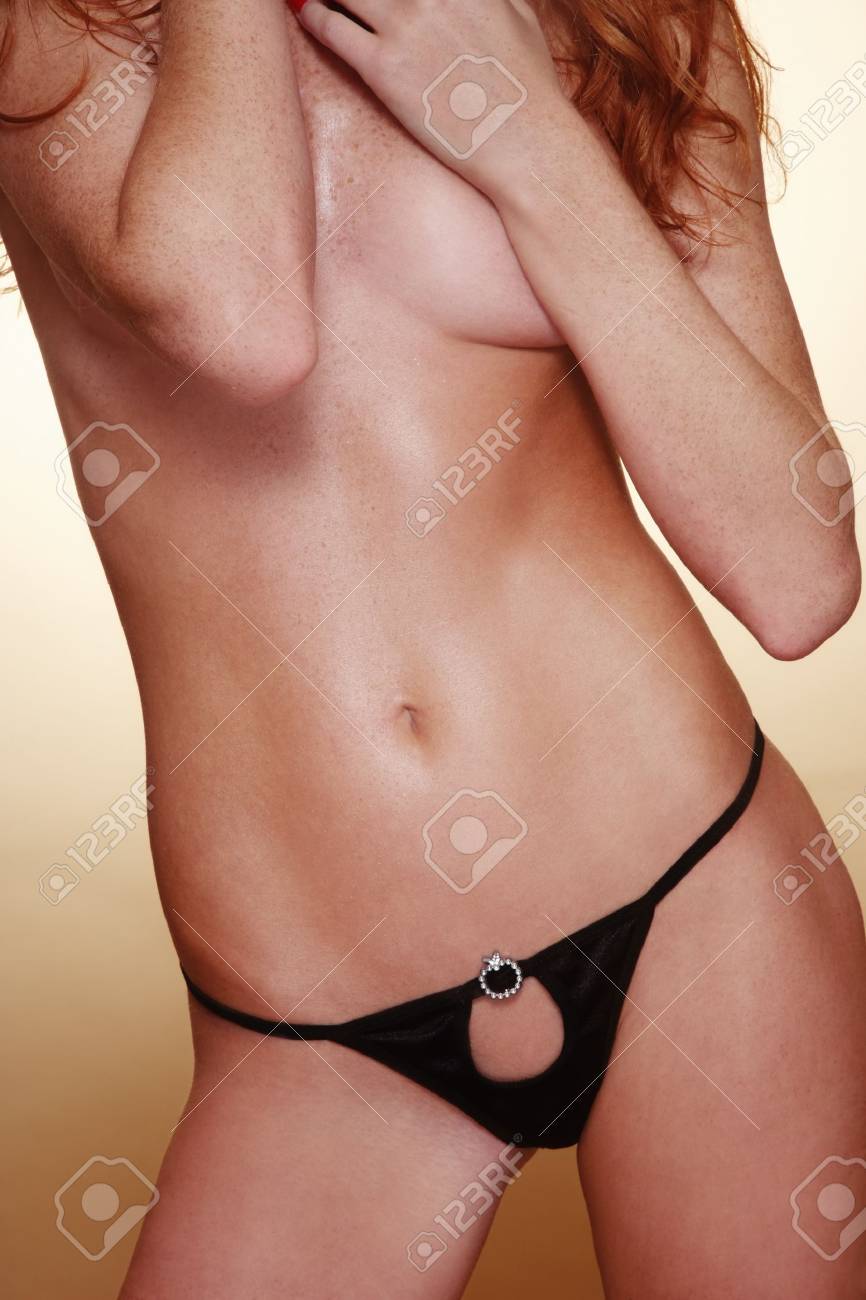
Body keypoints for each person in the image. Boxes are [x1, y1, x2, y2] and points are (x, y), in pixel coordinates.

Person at [2, 1, 865, 1295]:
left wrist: (526, 135)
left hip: (698, 886)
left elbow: (798, 575)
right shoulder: (48, 30)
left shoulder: (631, 20)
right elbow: (240, 319)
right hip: (313, 1014)